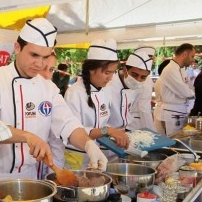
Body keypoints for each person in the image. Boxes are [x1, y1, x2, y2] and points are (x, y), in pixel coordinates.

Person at [0, 18, 109, 202]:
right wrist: (28, 136)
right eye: (34, 55)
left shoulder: (48, 88)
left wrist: (89, 145)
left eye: (45, 57)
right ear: (17, 47)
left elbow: (68, 125)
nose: (40, 64)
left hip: (31, 182)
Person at [64, 39, 129, 169]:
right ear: (92, 69)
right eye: (107, 73)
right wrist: (108, 130)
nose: (110, 78)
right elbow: (75, 132)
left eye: (113, 72)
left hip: (98, 155)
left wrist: (116, 132)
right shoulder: (74, 93)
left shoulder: (106, 90)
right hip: (77, 158)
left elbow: (103, 124)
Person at [153, 43, 196, 136]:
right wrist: (191, 93)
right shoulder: (170, 69)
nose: (193, 60)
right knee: (173, 142)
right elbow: (186, 92)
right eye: (192, 56)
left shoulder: (181, 69)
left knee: (179, 141)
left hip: (179, 111)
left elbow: (190, 88)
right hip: (171, 113)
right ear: (185, 54)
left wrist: (190, 92)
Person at [106, 50, 153, 130]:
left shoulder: (138, 87)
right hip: (105, 132)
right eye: (134, 75)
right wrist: (107, 131)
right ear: (125, 70)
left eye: (143, 77)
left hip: (125, 130)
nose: (138, 80)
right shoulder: (108, 85)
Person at [37, 53, 65, 178]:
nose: (47, 75)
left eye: (51, 70)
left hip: (39, 171)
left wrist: (54, 175)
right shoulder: (3, 83)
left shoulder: (52, 90)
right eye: (43, 68)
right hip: (1, 174)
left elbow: (56, 138)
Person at [128, 46, 157, 131]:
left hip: (130, 122)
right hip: (136, 123)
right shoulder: (145, 79)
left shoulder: (141, 77)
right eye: (150, 58)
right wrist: (152, 131)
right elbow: (144, 107)